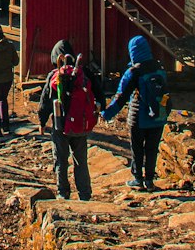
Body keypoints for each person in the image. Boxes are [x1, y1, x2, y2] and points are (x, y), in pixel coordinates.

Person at [101, 34, 169, 191]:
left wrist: (106, 114)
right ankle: (150, 181)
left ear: (133, 52)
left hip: (138, 117)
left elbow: (121, 96)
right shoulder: (159, 68)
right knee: (152, 149)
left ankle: (138, 179)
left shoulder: (133, 72)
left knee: (137, 148)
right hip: (159, 115)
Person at [38, 47, 105, 200]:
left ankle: (63, 192)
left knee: (61, 160)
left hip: (60, 125)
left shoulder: (54, 76)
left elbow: (45, 102)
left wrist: (42, 122)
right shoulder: (85, 74)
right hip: (80, 124)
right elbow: (99, 94)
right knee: (80, 160)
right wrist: (100, 110)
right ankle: (85, 193)